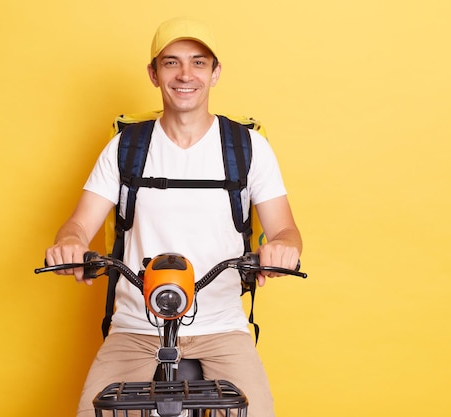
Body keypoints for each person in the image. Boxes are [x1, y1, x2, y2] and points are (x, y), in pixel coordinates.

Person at [45, 16, 303, 417]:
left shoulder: (247, 147)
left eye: (199, 62)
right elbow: (78, 224)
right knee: (93, 411)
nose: (186, 74)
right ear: (153, 73)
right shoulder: (125, 147)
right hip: (135, 328)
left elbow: (285, 229)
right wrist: (70, 244)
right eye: (171, 62)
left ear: (215, 73)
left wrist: (283, 248)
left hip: (221, 327)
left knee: (255, 411)